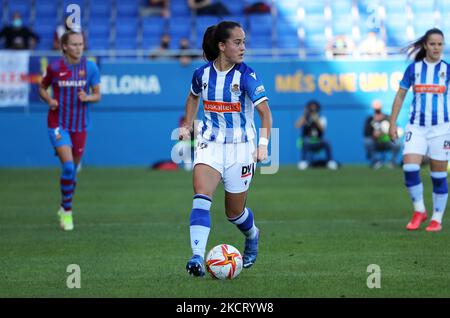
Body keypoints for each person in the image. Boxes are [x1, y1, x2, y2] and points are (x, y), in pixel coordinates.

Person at [179, 21, 272, 276]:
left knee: (234, 213)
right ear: (222, 46)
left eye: (244, 42)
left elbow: (265, 114)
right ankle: (197, 257)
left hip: (241, 149)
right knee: (201, 196)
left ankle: (252, 234)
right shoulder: (201, 74)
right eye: (237, 42)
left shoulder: (247, 76)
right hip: (210, 144)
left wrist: (262, 146)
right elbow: (192, 96)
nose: (243, 47)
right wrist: (188, 125)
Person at [39, 30, 101, 231]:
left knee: (73, 170)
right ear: (64, 46)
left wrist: (88, 97)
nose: (78, 48)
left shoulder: (90, 67)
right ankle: (67, 211)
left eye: (81, 44)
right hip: (58, 123)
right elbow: (41, 87)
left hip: (80, 125)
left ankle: (63, 205)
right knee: (67, 167)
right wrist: (49, 100)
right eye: (74, 44)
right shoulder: (55, 67)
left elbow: (98, 95)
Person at [389, 28, 450, 232]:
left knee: (438, 176)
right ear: (425, 45)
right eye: (432, 44)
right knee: (409, 168)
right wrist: (392, 123)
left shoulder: (447, 70)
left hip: (441, 129)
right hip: (416, 127)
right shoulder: (413, 69)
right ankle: (419, 210)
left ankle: (437, 219)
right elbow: (400, 96)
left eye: (440, 44)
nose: (436, 47)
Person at [295, 100, 338, 170]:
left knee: (327, 142)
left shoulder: (322, 118)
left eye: (314, 108)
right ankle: (303, 162)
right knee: (304, 141)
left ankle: (330, 161)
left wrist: (316, 119)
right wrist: (304, 115)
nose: (312, 110)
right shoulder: (305, 118)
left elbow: (323, 129)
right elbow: (297, 125)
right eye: (311, 108)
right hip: (308, 141)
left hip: (319, 141)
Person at [363, 99, 401, 169]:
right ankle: (375, 162)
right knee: (367, 141)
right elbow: (366, 133)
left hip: (387, 140)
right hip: (375, 142)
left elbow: (395, 129)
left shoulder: (387, 118)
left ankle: (392, 162)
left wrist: (386, 133)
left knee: (397, 143)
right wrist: (373, 134)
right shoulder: (370, 119)